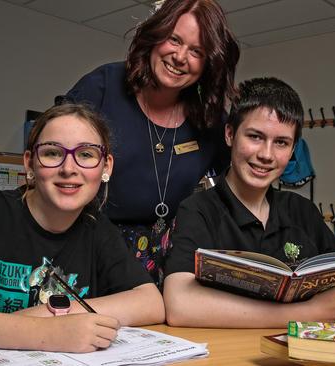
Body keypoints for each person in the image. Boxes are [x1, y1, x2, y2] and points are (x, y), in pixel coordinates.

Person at [0, 104, 164, 352]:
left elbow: (150, 302)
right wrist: (46, 332)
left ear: (106, 167)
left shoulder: (97, 229)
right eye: (52, 153)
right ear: (30, 163)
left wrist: (54, 313)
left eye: (86, 154)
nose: (69, 169)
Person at [162, 77, 335, 328]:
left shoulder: (302, 211)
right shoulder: (197, 210)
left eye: (281, 143)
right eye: (255, 136)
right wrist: (307, 312)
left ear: (293, 148)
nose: (266, 155)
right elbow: (179, 306)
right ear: (230, 134)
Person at [63, 0, 240, 285]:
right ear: (156, 34)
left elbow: (237, 179)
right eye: (174, 39)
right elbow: (52, 155)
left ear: (208, 63)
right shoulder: (103, 87)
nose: (180, 57)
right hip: (87, 247)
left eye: (196, 51)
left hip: (166, 262)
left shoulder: (211, 118)